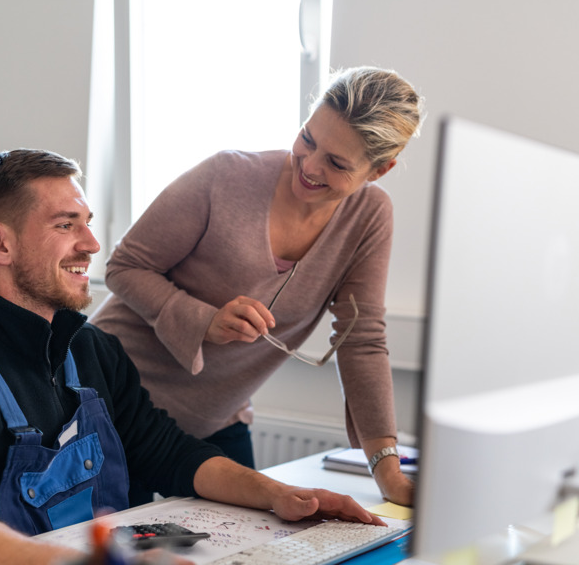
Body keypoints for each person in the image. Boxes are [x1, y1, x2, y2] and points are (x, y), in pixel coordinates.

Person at [0, 149, 386, 565]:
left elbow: (168, 451)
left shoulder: (91, 350)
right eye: (66, 225)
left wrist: (283, 494)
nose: (91, 243)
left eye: (87, 222)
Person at [89, 66, 425, 508]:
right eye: (308, 139)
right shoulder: (226, 175)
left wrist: (388, 473)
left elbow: (361, 341)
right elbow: (125, 265)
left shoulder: (369, 218)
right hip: (115, 403)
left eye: (337, 163)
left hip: (214, 418)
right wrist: (204, 320)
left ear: (379, 170)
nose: (308, 165)